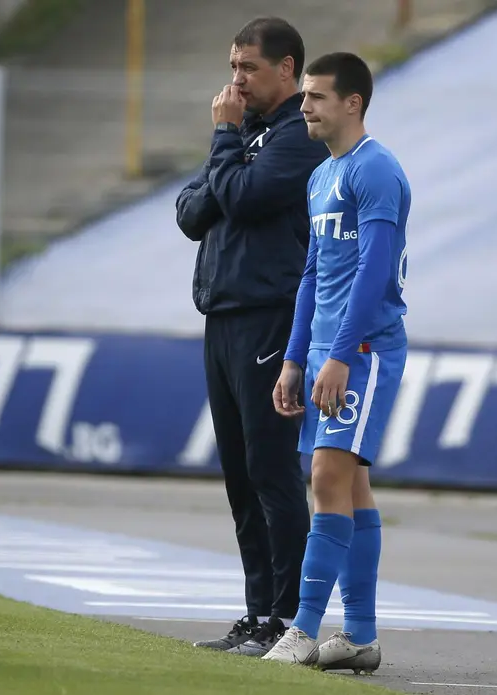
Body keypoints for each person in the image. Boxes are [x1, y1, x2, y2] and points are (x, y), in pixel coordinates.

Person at [175, 17, 329, 657]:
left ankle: (289, 620)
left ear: (286, 69)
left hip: (270, 318)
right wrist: (229, 153)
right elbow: (190, 213)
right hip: (223, 317)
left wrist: (224, 141)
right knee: (240, 477)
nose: (235, 81)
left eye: (249, 68)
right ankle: (258, 613)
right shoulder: (246, 133)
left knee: (271, 471)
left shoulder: (298, 137)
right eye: (233, 67)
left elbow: (241, 199)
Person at [264, 52, 411, 672]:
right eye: (304, 96)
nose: (305, 107)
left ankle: (302, 629)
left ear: (353, 103)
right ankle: (360, 637)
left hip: (365, 350)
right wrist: (295, 358)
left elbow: (374, 272)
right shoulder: (321, 176)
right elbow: (313, 275)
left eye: (317, 97)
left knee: (326, 478)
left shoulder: (375, 169)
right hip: (329, 352)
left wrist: (342, 355)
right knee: (349, 485)